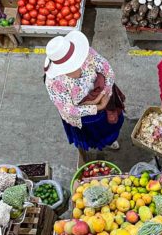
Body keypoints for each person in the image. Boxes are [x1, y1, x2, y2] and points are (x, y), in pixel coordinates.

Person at [44, 31, 125, 166]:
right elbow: (69, 109)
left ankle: (109, 141)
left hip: (104, 97)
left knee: (109, 127)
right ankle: (83, 153)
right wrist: (97, 106)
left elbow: (108, 71)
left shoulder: (88, 54)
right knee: (85, 137)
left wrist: (103, 95)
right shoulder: (53, 82)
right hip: (83, 114)